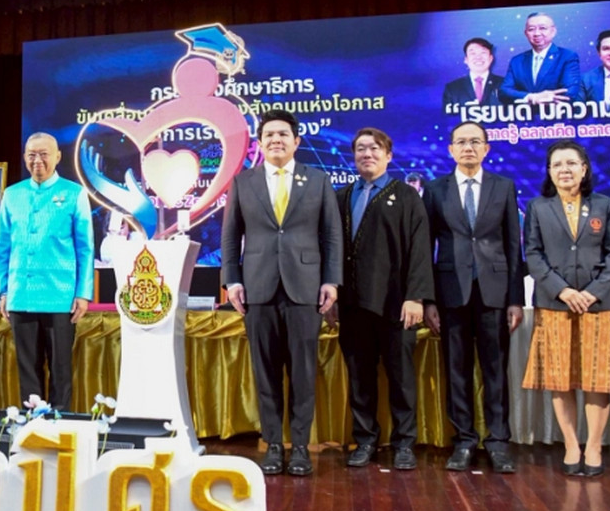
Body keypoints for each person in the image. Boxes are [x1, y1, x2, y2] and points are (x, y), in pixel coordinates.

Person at [221, 108, 342, 477]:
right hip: (257, 289)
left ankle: (300, 447)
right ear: (260, 143)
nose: (276, 139)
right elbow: (231, 237)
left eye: (283, 134)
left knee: (303, 372)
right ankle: (273, 444)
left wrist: (331, 281)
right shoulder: (243, 182)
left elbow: (331, 235)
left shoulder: (317, 180)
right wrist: (232, 280)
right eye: (269, 135)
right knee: (266, 372)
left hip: (305, 289)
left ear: (296, 141)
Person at [522, 140, 610, 476]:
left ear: (584, 169)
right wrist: (563, 291)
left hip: (598, 306)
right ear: (549, 171)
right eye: (557, 164)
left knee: (597, 380)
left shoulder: (604, 205)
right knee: (560, 379)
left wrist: (592, 293)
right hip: (554, 305)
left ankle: (594, 446)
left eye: (571, 163)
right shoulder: (538, 207)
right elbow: (533, 255)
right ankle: (571, 445)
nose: (565, 170)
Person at [423, 122, 524, 473]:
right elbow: (426, 247)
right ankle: (464, 441)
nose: (468, 147)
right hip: (451, 292)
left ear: (486, 148)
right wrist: (428, 300)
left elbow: (513, 245)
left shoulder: (503, 186)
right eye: (461, 142)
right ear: (451, 149)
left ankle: (498, 442)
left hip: (494, 292)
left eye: (475, 142)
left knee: (496, 371)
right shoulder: (435, 189)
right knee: (457, 371)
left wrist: (515, 298)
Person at [336, 128, 432, 470]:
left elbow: (420, 249)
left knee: (401, 378)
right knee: (360, 377)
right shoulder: (342, 197)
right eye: (361, 148)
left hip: (396, 305)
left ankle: (404, 443)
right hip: (352, 305)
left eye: (375, 148)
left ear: (389, 155)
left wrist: (416, 296)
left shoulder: (407, 196)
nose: (367, 154)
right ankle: (365, 441)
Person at [0, 133, 95, 411]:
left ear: (57, 157)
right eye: (31, 155)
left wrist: (83, 293)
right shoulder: (12, 194)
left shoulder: (74, 193)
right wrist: (3, 290)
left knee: (60, 370)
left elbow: (85, 248)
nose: (37, 160)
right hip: (21, 295)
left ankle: (59, 425)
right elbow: (2, 246)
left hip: (60, 296)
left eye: (43, 154)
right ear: (24, 157)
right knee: (28, 370)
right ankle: (32, 425)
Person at [499, 13, 581, 104]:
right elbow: (504, 92)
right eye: (531, 29)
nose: (537, 33)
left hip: (555, 112)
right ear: (525, 33)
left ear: (553, 31)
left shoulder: (567, 56)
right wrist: (531, 97)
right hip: (524, 112)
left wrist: (543, 99)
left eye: (542, 28)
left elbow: (570, 92)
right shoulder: (517, 61)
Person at [442, 37, 504, 107]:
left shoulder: (506, 85)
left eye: (483, 53)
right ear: (466, 60)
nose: (478, 57)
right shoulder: (452, 88)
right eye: (473, 53)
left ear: (491, 58)